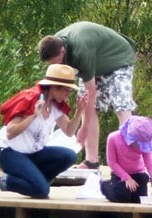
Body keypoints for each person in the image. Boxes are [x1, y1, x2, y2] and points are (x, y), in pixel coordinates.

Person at [0, 64, 90, 198]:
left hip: (33, 154)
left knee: (69, 156)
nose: (68, 94)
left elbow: (69, 131)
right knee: (42, 191)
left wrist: (79, 111)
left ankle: (36, 184)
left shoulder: (55, 106)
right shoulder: (30, 100)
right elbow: (10, 132)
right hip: (11, 153)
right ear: (54, 87)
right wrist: (33, 115)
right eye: (66, 90)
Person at [38, 21, 137, 169]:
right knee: (84, 107)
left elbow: (91, 92)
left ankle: (129, 161)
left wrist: (84, 127)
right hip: (96, 64)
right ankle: (92, 161)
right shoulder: (54, 42)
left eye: (60, 62)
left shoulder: (80, 51)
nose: (59, 66)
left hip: (118, 59)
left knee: (121, 106)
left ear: (63, 51)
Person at [101, 116, 152, 203]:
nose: (140, 148)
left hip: (138, 174)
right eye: (138, 145)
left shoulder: (145, 141)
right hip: (120, 175)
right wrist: (127, 178)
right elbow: (112, 162)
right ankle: (104, 186)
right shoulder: (113, 138)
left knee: (139, 200)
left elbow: (150, 164)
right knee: (122, 196)